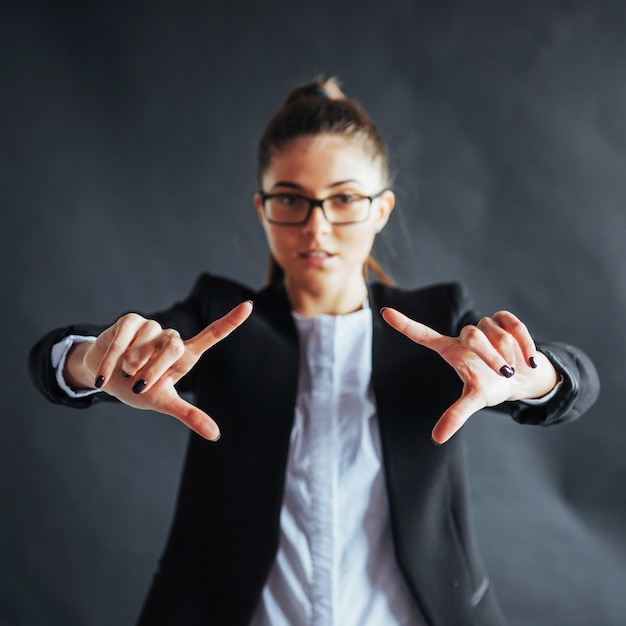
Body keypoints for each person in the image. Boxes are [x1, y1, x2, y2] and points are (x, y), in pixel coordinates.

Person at [29, 78, 599, 626]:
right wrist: (95, 360)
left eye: (344, 199)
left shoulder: (438, 322)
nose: (316, 228)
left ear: (380, 210)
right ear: (262, 208)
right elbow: (56, 362)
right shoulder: (218, 317)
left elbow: (578, 382)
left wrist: (529, 377)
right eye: (291, 200)